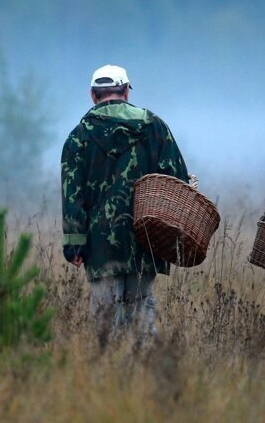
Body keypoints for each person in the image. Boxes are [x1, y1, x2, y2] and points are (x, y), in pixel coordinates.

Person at [61, 64, 188, 346]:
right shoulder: (154, 127)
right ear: (126, 92)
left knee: (103, 320)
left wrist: (74, 243)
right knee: (142, 312)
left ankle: (108, 376)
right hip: (146, 240)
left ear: (93, 95)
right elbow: (178, 181)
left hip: (99, 245)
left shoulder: (77, 137)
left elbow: (73, 195)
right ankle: (144, 374)